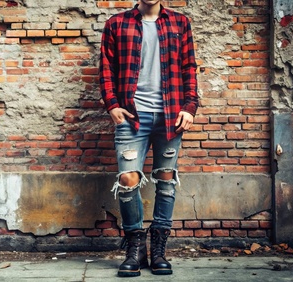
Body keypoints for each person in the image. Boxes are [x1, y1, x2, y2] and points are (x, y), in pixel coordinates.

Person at [99, 0, 198, 277]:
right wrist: (112, 104)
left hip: (170, 115)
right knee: (128, 179)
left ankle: (159, 252)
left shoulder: (180, 23)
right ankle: (135, 250)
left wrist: (189, 107)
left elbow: (189, 67)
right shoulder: (117, 23)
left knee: (166, 180)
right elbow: (106, 67)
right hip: (132, 116)